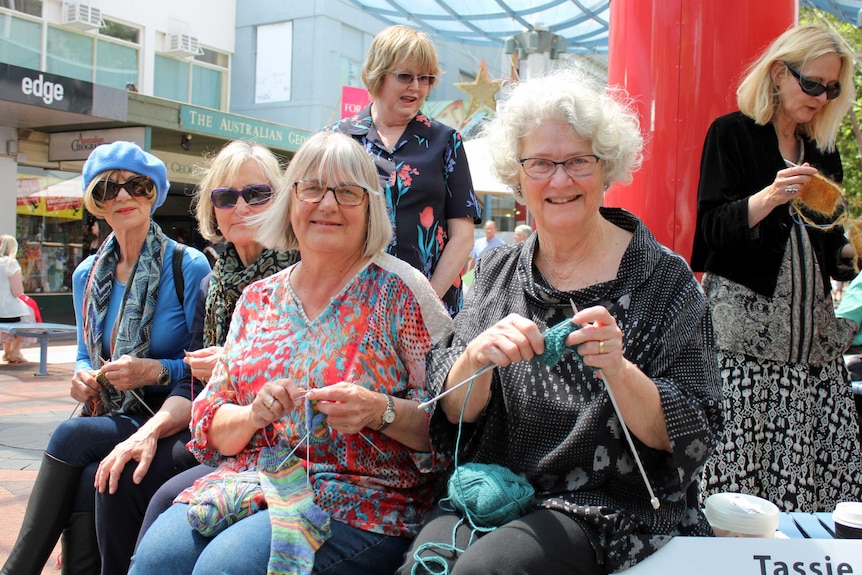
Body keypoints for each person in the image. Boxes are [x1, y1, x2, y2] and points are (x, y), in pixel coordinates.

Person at [399, 68, 723, 575]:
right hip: (499, 489)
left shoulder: (663, 280)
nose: (560, 179)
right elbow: (454, 413)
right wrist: (475, 357)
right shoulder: (496, 271)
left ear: (607, 168)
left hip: (607, 505)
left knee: (485, 573)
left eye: (577, 161)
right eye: (541, 163)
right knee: (422, 565)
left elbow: (690, 431)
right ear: (519, 176)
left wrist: (620, 370)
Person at [130, 131, 452, 575]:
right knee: (155, 561)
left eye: (347, 192)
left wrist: (381, 412)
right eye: (313, 188)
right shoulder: (258, 299)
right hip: (254, 483)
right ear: (291, 200)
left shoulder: (401, 292)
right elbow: (210, 427)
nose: (327, 204)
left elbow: (451, 424)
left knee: (225, 568)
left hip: (362, 501)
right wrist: (254, 415)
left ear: (371, 206)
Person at [1, 141, 211, 575]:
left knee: (70, 437)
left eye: (136, 186)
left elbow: (202, 368)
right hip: (111, 412)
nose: (122, 197)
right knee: (88, 476)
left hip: (170, 415)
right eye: (106, 190)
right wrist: (81, 374)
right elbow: (84, 350)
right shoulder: (87, 274)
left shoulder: (187, 265)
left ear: (153, 193)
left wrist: (151, 370)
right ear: (95, 204)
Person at [91, 140, 297, 575]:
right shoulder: (215, 284)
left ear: (280, 201)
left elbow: (309, 366)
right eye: (226, 197)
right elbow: (194, 386)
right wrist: (146, 433)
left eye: (256, 194)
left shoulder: (298, 272)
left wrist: (235, 363)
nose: (240, 206)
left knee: (151, 490)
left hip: (274, 440)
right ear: (213, 208)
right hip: (211, 425)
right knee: (121, 470)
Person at [692, 25, 862, 512]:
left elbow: (831, 252)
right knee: (735, 497)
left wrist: (849, 255)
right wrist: (771, 195)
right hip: (742, 348)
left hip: (811, 352)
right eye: (813, 84)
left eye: (831, 89)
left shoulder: (824, 152)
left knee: (819, 495)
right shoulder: (731, 133)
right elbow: (711, 233)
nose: (822, 97)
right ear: (778, 73)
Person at [330, 24, 480, 317]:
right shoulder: (336, 139)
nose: (417, 86)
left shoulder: (446, 141)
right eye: (405, 76)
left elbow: (462, 236)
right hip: (352, 307)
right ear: (377, 74)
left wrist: (426, 302)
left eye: (425, 78)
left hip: (430, 310)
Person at [0, 235, 31, 363]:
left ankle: (7, 352)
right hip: (8, 308)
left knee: (5, 328)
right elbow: (17, 292)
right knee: (26, 321)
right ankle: (15, 351)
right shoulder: (10, 263)